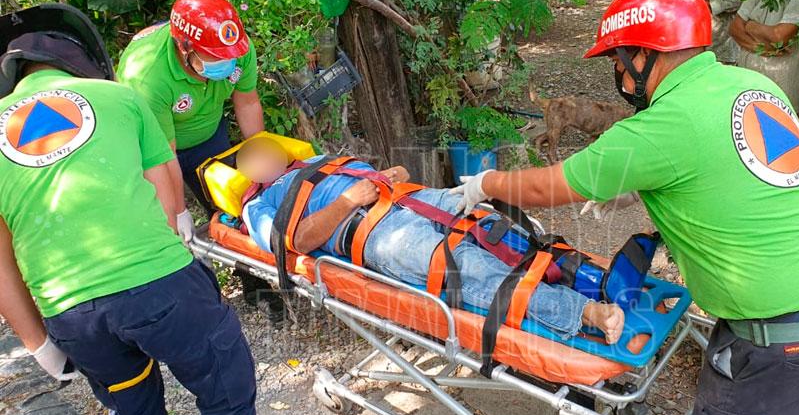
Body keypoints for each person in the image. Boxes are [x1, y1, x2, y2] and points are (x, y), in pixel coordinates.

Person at [452, 0, 799, 415]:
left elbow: (541, 187)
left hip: (782, 336)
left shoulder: (657, 128)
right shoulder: (751, 84)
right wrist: (640, 190)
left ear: (643, 54)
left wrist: (485, 183)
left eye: (617, 61)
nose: (618, 74)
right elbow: (733, 173)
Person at [0, 4, 256, 415]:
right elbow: (166, 194)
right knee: (226, 397)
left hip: (73, 314)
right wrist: (173, 269)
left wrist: (39, 344)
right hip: (160, 284)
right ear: (81, 60)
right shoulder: (120, 97)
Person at [236, 137, 629, 344]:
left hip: (407, 198)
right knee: (467, 267)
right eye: (258, 155)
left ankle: (584, 274)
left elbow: (384, 176)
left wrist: (391, 175)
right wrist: (347, 202)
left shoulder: (317, 162)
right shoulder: (258, 204)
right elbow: (294, 244)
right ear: (249, 171)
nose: (268, 154)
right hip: (376, 234)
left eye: (270, 148)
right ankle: (582, 312)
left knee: (492, 221)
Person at [115, 0, 279, 320]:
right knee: (166, 226)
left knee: (233, 205)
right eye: (214, 58)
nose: (225, 63)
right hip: (155, 147)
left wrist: (260, 161)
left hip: (208, 133)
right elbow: (163, 155)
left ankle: (255, 285)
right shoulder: (148, 77)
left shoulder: (236, 48)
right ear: (184, 47)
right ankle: (187, 302)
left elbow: (247, 102)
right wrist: (178, 210)